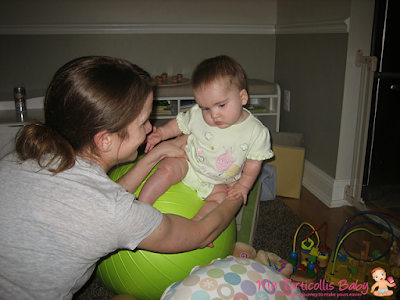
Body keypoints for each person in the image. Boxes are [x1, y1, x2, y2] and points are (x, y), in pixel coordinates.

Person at [0, 56, 243, 300]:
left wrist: (154, 156)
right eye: (142, 123)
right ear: (105, 140)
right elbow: (201, 234)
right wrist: (237, 191)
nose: (150, 128)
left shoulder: (21, 159)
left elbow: (95, 200)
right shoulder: (112, 212)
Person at [140, 55, 273, 220]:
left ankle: (197, 226)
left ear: (242, 97)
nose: (214, 115)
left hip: (220, 184)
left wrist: (243, 186)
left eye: (221, 105)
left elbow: (254, 164)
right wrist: (161, 133)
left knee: (220, 202)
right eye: (205, 108)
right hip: (190, 165)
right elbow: (179, 124)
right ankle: (141, 207)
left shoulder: (256, 132)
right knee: (168, 167)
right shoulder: (196, 114)